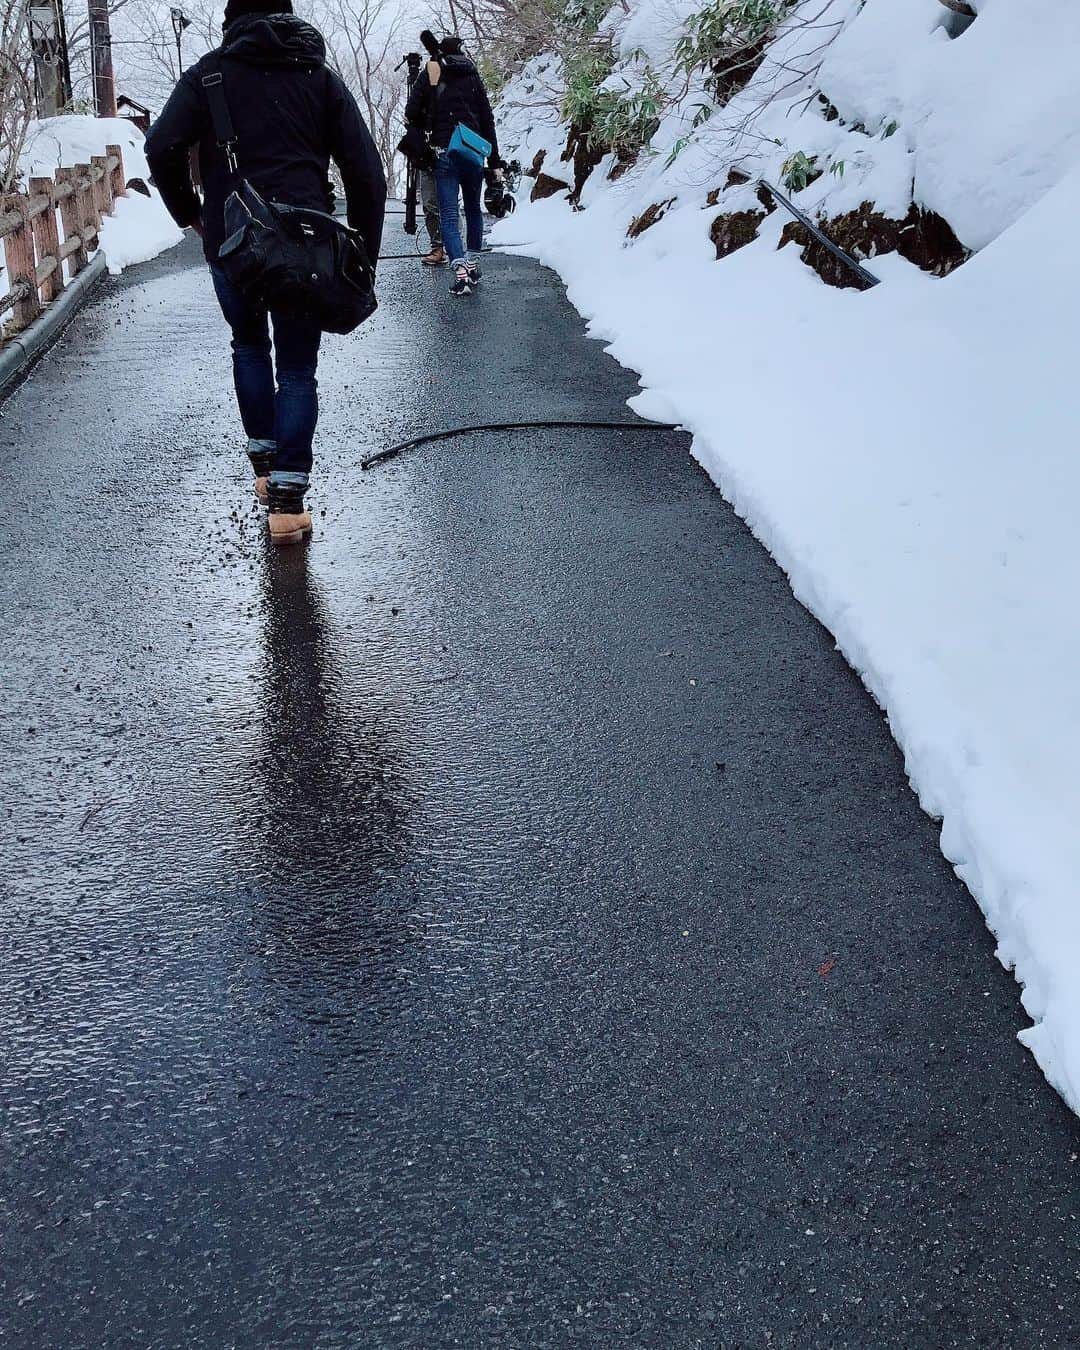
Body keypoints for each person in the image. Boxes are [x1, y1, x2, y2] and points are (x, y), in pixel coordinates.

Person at [145, 0, 386, 544]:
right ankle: (287, 500)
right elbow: (367, 173)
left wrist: (191, 214)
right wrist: (361, 255)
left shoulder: (209, 74)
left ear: (232, 21)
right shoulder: (318, 78)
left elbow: (161, 147)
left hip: (234, 244)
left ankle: (264, 466)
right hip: (305, 249)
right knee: (298, 369)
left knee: (248, 346)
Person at [404, 36, 502, 297]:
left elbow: (411, 111)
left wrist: (428, 110)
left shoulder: (432, 71)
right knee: (473, 211)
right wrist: (494, 161)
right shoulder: (472, 73)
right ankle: (473, 265)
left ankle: (461, 276)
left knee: (448, 215)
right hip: (473, 151)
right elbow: (487, 118)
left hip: (444, 151)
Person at [419, 170, 445, 266]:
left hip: (449, 159)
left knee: (450, 206)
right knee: (430, 206)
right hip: (427, 162)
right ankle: (437, 248)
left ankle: (457, 251)